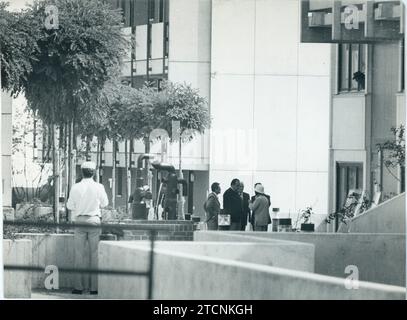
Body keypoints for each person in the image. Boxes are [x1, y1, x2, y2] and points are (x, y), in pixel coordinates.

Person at [66, 161, 109, 295]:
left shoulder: (75, 187)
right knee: (94, 254)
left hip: (80, 221)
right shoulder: (99, 186)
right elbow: (105, 203)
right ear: (94, 172)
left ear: (81, 172)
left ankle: (78, 288)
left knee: (79, 255)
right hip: (94, 220)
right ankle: (94, 288)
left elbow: (69, 206)